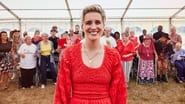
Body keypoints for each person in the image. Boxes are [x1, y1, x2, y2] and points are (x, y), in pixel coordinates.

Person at [54, 4, 127, 104]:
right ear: (82, 26)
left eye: (97, 22)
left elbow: (119, 93)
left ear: (103, 26)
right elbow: (62, 93)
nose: (93, 27)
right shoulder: (69, 55)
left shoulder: (113, 56)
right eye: (88, 23)